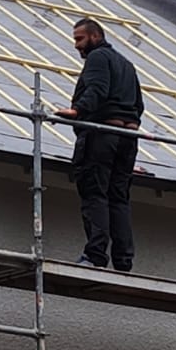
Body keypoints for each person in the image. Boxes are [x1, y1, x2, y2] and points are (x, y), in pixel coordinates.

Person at [55, 17, 143, 271]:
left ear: (95, 36)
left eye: (79, 39)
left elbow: (97, 88)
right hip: (128, 138)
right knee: (119, 198)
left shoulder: (98, 58)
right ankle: (123, 260)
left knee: (95, 193)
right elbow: (139, 105)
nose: (76, 45)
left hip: (103, 134)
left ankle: (95, 255)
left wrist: (78, 110)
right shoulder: (127, 65)